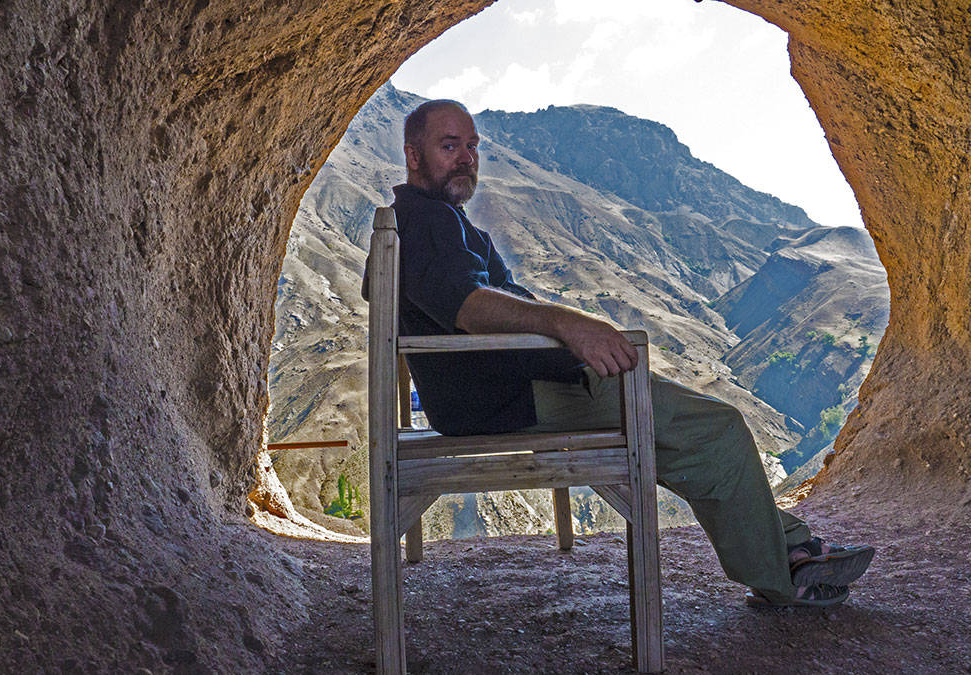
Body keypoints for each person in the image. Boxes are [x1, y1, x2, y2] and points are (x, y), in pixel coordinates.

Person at [366, 98, 874, 607]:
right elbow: (470, 307)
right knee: (715, 428)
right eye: (449, 146)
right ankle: (785, 575)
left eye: (472, 146)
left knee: (687, 435)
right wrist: (570, 324)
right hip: (509, 399)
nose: (466, 158)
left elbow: (431, 296)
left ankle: (787, 550)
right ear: (413, 156)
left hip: (503, 392)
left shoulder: (428, 221)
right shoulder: (430, 220)